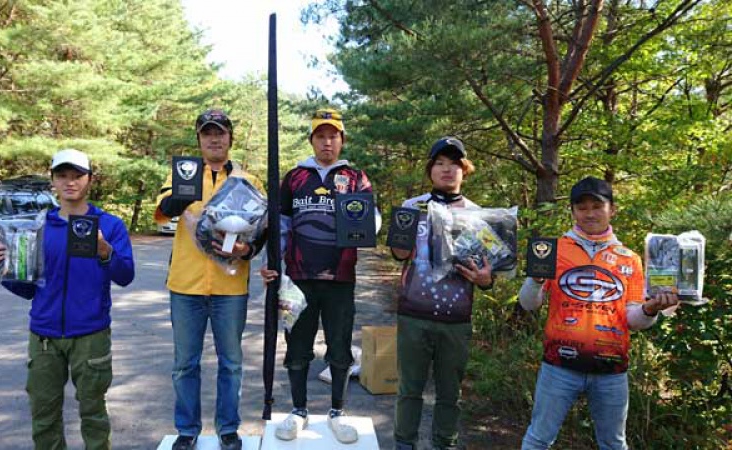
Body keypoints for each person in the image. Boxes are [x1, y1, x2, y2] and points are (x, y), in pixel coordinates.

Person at [0, 149, 135, 450]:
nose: (70, 182)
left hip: (91, 335)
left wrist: (106, 253)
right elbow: (28, 289)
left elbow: (125, 276)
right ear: (52, 180)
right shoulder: (35, 227)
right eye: (62, 176)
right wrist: (1, 268)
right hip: (44, 336)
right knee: (44, 416)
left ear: (90, 180)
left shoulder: (110, 225)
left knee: (93, 414)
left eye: (77, 175)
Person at [518, 176, 679, 450]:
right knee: (538, 439)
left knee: (614, 444)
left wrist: (651, 309)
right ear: (572, 211)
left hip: (611, 371)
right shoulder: (552, 250)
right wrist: (534, 280)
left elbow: (633, 320)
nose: (590, 213)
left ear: (612, 209)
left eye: (597, 205)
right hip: (558, 367)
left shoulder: (630, 258)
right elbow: (529, 304)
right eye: (582, 207)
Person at [261, 108, 378, 444]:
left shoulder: (357, 177)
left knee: (340, 347)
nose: (327, 142)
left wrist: (367, 227)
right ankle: (298, 411)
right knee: (297, 346)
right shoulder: (295, 177)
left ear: (342, 140)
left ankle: (337, 413)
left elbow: (373, 219)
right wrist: (273, 263)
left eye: (334, 136)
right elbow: (281, 224)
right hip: (298, 277)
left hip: (340, 278)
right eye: (321, 136)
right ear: (312, 140)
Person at [154, 109, 263, 450]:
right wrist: (181, 195)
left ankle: (228, 429)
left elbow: (262, 232)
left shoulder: (249, 180)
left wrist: (246, 250)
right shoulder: (182, 174)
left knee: (231, 364)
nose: (214, 138)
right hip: (185, 286)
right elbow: (163, 211)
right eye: (207, 133)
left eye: (221, 132)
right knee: (185, 364)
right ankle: (187, 431)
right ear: (199, 139)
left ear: (230, 137)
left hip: (230, 287)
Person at [389, 137, 493, 450]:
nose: (447, 169)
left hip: (457, 319)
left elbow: (489, 275)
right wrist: (404, 237)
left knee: (450, 394)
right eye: (440, 163)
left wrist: (486, 279)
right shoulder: (412, 207)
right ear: (430, 169)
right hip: (413, 315)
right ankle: (404, 443)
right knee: (409, 390)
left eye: (455, 164)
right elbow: (398, 253)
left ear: (465, 170)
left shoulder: (480, 215)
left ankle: (443, 444)